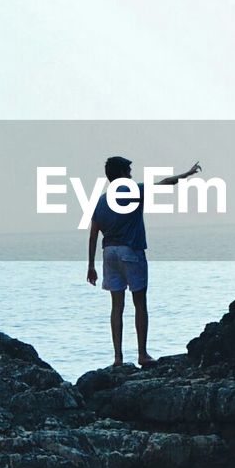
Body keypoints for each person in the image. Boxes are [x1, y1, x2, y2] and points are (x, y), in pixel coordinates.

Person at [87, 155, 200, 367]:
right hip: (131, 251)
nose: (130, 175)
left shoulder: (101, 201)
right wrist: (186, 174)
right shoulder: (134, 190)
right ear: (121, 174)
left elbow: (93, 234)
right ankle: (142, 354)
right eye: (128, 172)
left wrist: (91, 266)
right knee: (139, 303)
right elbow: (165, 184)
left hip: (109, 252)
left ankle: (118, 358)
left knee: (116, 307)